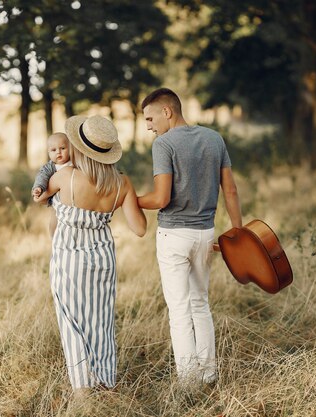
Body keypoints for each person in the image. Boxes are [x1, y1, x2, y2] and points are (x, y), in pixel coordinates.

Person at [34, 115, 146, 395]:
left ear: (77, 148)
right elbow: (140, 228)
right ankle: (105, 381)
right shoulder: (123, 183)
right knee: (101, 321)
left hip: (68, 258)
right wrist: (131, 198)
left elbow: (40, 198)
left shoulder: (64, 177)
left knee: (72, 322)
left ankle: (83, 391)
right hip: (103, 258)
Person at [138, 88, 242, 384]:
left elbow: (161, 198)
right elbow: (231, 190)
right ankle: (209, 375)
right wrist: (237, 232)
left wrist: (129, 199)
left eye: (150, 118)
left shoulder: (164, 144)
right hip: (205, 234)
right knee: (200, 304)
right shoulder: (214, 139)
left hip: (174, 235)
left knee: (179, 310)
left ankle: (188, 383)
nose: (148, 126)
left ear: (167, 112)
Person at [32, 132, 74, 237]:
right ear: (49, 153)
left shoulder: (74, 162)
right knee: (54, 224)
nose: (58, 152)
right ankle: (54, 239)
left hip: (74, 200)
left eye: (63, 148)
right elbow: (42, 177)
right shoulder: (50, 167)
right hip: (57, 203)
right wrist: (39, 188)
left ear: (70, 148)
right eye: (54, 150)